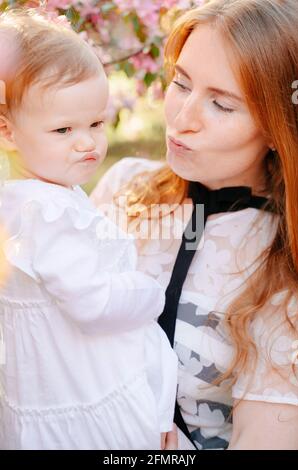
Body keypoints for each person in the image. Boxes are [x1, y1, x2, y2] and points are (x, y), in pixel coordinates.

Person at [91, 0, 298, 450]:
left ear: (277, 126)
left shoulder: (284, 262)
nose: (182, 119)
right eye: (180, 84)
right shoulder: (123, 187)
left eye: (222, 105)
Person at [0, 9, 178, 450]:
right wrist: (150, 291)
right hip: (85, 401)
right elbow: (93, 302)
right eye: (64, 129)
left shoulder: (33, 196)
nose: (88, 143)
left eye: (96, 123)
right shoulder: (47, 213)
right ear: (7, 130)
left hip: (60, 383)